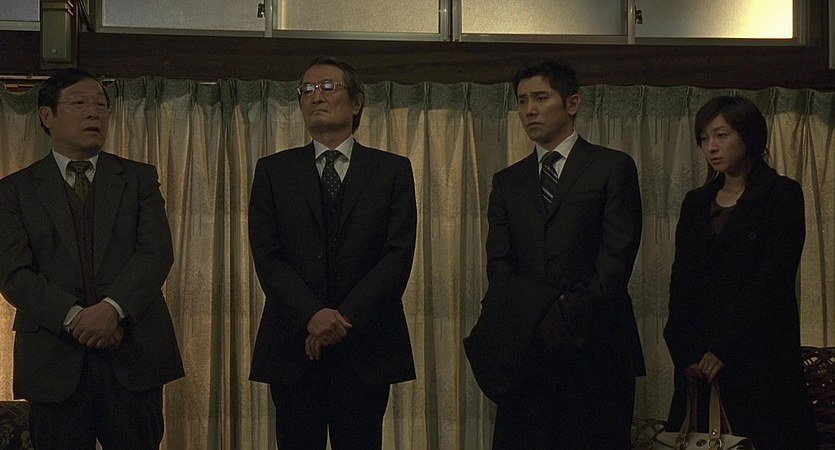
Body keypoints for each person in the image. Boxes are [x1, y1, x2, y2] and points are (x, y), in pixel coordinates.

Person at [465, 59, 644, 448]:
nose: (529, 110)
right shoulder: (508, 181)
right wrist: (536, 318)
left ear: (572, 103)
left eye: (541, 98)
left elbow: (616, 259)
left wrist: (565, 313)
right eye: (522, 101)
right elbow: (500, 263)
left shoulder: (611, 167)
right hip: (526, 348)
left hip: (597, 344)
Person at [0, 68, 184, 449]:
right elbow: (14, 272)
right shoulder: (15, 190)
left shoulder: (138, 179)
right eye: (79, 103)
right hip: (53, 361)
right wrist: (76, 319)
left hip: (133, 354)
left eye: (101, 105)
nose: (93, 113)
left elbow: (156, 252)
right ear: (47, 116)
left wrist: (112, 310)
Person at [248, 55, 417, 450]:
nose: (315, 97)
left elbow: (397, 256)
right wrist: (312, 315)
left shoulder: (391, 170)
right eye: (306, 90)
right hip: (294, 344)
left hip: (367, 344)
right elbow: (268, 256)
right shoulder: (274, 171)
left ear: (356, 103)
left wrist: (342, 319)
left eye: (327, 87)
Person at [663, 95, 817, 449]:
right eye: (704, 138)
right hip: (699, 362)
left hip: (759, 353)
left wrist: (724, 347)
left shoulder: (781, 195)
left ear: (749, 137)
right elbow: (681, 281)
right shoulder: (696, 202)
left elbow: (773, 280)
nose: (711, 147)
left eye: (721, 135)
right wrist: (686, 352)